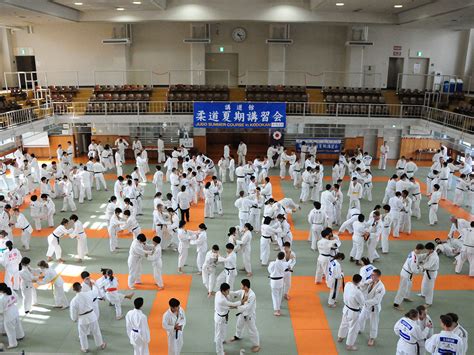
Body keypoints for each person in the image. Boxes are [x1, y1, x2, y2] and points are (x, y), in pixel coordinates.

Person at [69, 282, 107, 353]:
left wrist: (74, 319)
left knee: (82, 334)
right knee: (96, 331)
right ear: (81, 287)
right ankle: (101, 344)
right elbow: (95, 292)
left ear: (74, 289)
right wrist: (93, 285)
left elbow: (73, 312)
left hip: (82, 318)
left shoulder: (74, 301)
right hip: (92, 315)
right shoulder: (88, 293)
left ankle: (84, 348)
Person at [228, 279, 261, 353]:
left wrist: (235, 307)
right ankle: (237, 336)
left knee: (252, 330)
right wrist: (227, 292)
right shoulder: (243, 291)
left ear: (245, 286)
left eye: (242, 285)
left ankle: (257, 345)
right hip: (242, 313)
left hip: (249, 315)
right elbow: (235, 293)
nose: (241, 286)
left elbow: (248, 307)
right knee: (239, 325)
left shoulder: (252, 295)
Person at [337, 274, 365, 351]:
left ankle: (340, 337)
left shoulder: (348, 284)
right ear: (359, 281)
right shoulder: (358, 292)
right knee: (353, 328)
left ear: (352, 279)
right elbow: (362, 303)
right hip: (353, 311)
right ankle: (349, 345)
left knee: (344, 323)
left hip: (346, 308)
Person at [359, 269, 386, 346]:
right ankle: (360, 329)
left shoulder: (381, 288)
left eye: (374, 275)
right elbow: (363, 286)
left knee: (373, 323)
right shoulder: (370, 281)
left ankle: (372, 338)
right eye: (372, 274)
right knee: (361, 318)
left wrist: (363, 302)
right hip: (366, 305)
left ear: (378, 276)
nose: (372, 276)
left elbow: (376, 300)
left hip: (374, 307)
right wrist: (359, 285)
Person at [394, 243, 425, 310]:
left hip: (407, 273)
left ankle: (406, 297)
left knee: (409, 285)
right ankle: (396, 304)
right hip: (406, 274)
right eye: (421, 251)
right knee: (402, 289)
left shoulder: (413, 253)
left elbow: (418, 257)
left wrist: (425, 255)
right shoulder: (414, 258)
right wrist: (421, 269)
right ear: (420, 250)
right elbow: (414, 270)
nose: (421, 252)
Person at [214, 282, 242, 355]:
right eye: (227, 291)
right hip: (220, 318)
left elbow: (231, 294)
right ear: (223, 291)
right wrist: (242, 301)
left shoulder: (219, 292)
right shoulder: (221, 299)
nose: (229, 292)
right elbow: (232, 305)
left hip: (222, 316)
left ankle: (221, 340)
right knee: (219, 336)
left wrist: (239, 292)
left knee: (222, 331)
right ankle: (219, 352)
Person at [0, 283, 24, 349]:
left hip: (8, 315)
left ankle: (13, 344)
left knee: (10, 330)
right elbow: (16, 299)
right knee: (17, 324)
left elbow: (1, 311)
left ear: (1, 291)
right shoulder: (11, 291)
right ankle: (20, 335)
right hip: (14, 310)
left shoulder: (2, 298)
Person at [268, 251, 288, 316]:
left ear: (277, 256)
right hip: (281, 281)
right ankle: (278, 306)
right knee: (279, 295)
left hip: (274, 281)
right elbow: (286, 268)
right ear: (283, 258)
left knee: (275, 295)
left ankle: (277, 310)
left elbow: (270, 270)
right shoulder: (284, 264)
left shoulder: (273, 263)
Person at [419, 242, 439, 307]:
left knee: (430, 288)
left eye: (428, 249)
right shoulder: (431, 253)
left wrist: (420, 266)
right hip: (427, 272)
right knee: (424, 283)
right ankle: (423, 294)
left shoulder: (434, 257)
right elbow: (426, 260)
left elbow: (428, 265)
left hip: (431, 273)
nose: (427, 251)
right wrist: (422, 261)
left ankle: (428, 302)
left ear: (431, 249)